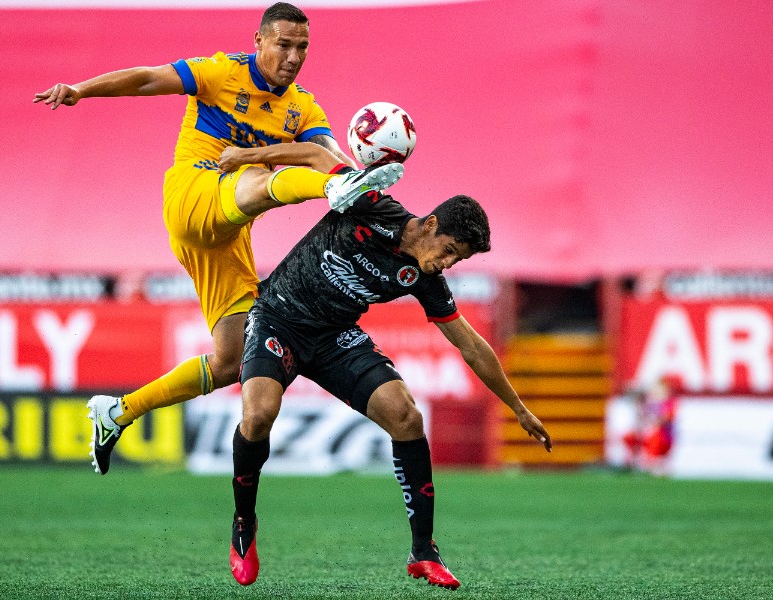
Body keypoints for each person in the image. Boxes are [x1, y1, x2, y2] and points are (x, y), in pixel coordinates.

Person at [33, 2, 404, 474]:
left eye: (302, 47)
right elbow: (148, 78)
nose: (293, 57)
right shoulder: (221, 72)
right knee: (260, 176)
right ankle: (333, 192)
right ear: (259, 41)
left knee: (232, 361)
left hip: (226, 234)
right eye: (284, 45)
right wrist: (79, 90)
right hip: (193, 196)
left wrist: (361, 177)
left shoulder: (303, 107)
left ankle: (117, 412)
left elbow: (327, 152)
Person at [225, 185, 553, 588]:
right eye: (448, 250)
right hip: (279, 318)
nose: (446, 263)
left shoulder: (424, 276)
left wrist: (518, 407)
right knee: (258, 416)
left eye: (458, 260)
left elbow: (471, 345)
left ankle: (424, 551)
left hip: (334, 338)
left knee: (406, 416)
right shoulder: (376, 207)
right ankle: (244, 521)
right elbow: (327, 167)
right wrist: (257, 154)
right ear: (431, 224)